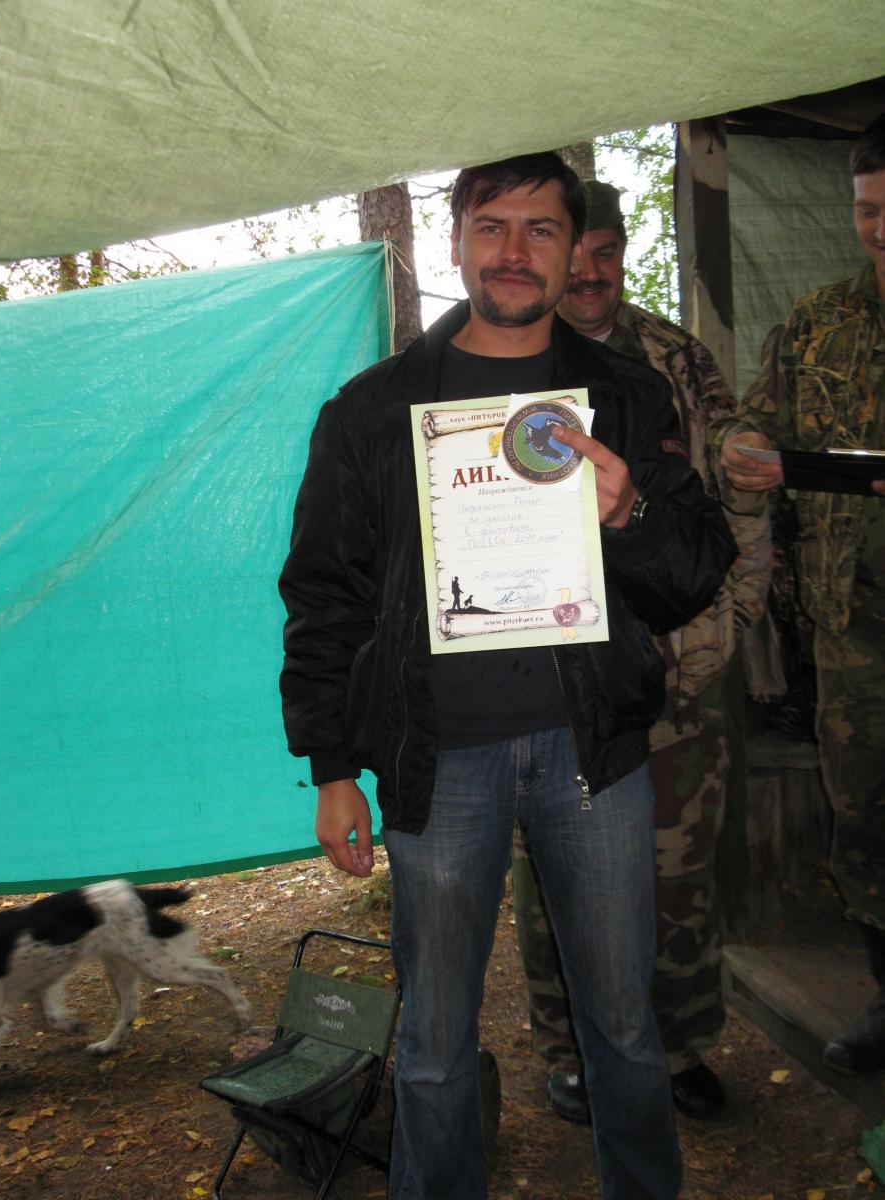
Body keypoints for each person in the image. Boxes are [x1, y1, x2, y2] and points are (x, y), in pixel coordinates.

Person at [279, 151, 737, 1200]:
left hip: (595, 756)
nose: (515, 251)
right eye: (492, 227)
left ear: (574, 250)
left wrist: (630, 512)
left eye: (541, 229)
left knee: (624, 1026)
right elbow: (324, 597)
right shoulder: (371, 412)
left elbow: (694, 573)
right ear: (455, 243)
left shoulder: (626, 395)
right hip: (439, 765)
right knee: (434, 1041)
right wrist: (333, 767)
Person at [510, 180, 772, 1124]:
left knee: (679, 874)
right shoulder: (506, 358)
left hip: (673, 669)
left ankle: (681, 1046)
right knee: (553, 879)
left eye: (607, 252)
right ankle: (571, 1049)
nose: (590, 272)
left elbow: (736, 471)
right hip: (555, 675)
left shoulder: (675, 357)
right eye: (575, 251)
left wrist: (731, 615)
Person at [713, 114, 885, 1076]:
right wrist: (740, 446)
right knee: (863, 812)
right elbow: (752, 419)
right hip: (856, 625)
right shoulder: (822, 320)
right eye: (867, 210)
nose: (881, 231)